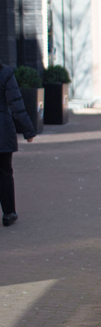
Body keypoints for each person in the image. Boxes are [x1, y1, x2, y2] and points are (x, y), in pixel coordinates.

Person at [0, 60, 36, 227]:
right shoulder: (5, 72)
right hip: (2, 131)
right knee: (5, 172)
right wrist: (28, 129)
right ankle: (8, 213)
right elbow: (16, 103)